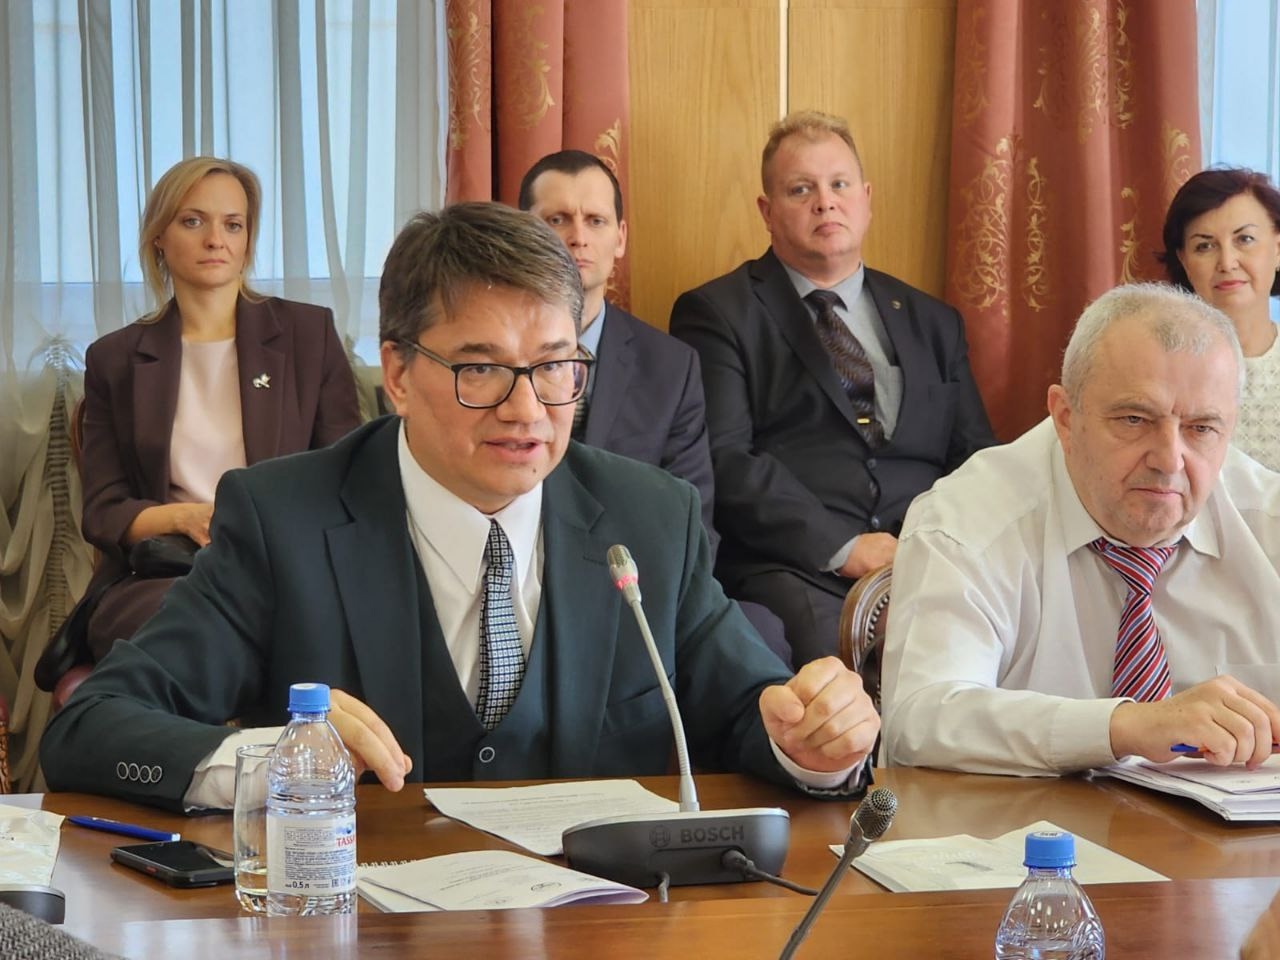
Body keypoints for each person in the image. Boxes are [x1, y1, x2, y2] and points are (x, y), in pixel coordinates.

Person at [40, 202, 879, 812]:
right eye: (481, 369)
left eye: (555, 367)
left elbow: (751, 712)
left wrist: (816, 742)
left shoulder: (648, 518)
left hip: (594, 929)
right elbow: (92, 730)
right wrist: (273, 760)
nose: (528, 409)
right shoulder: (283, 519)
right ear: (398, 375)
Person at [880, 282, 1280, 776]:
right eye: (1135, 419)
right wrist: (1125, 727)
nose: (1169, 460)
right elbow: (921, 721)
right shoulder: (968, 521)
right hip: (1024, 824)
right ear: (1065, 418)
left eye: (1201, 429)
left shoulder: (1268, 525)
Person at [669, 110, 995, 663]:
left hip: (930, 557)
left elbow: (976, 458)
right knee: (837, 660)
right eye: (802, 189)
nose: (825, 202)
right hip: (797, 566)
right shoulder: (719, 312)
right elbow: (726, 458)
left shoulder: (933, 321)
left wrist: (941, 547)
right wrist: (844, 548)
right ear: (767, 212)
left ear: (866, 199)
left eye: (839, 184)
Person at [74, 157, 361, 662]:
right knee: (185, 624)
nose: (215, 240)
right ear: (158, 237)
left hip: (286, 568)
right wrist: (186, 518)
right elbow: (103, 512)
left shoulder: (308, 335)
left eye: (233, 225)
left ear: (248, 239)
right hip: (167, 576)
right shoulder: (114, 359)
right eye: (193, 221)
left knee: (294, 621)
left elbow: (347, 480)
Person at [518, 149, 790, 663]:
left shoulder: (671, 366)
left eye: (595, 221)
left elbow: (691, 521)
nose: (578, 237)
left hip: (628, 593)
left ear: (620, 238)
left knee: (762, 634)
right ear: (525, 231)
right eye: (557, 220)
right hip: (514, 587)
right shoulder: (489, 360)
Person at [1159, 167, 1280, 470]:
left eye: (1245, 239)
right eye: (1205, 246)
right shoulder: (1155, 365)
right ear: (1184, 260)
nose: (1227, 262)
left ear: (1278, 249)